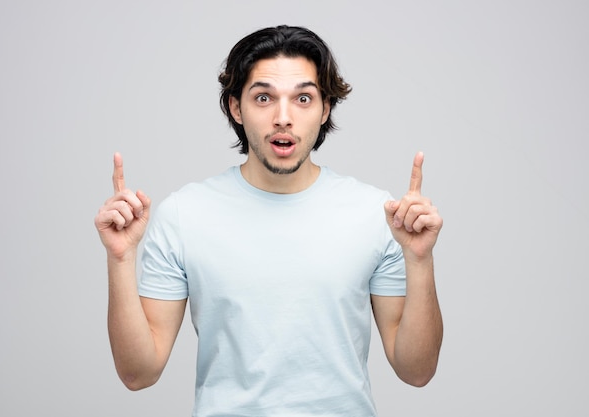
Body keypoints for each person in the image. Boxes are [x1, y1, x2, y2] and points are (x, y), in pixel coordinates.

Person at [95, 25, 443, 416]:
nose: (283, 118)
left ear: (325, 108)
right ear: (236, 107)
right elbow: (138, 374)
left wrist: (419, 261)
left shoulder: (377, 214)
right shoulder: (184, 215)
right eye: (263, 97)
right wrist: (121, 259)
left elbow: (417, 371)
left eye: (303, 98)